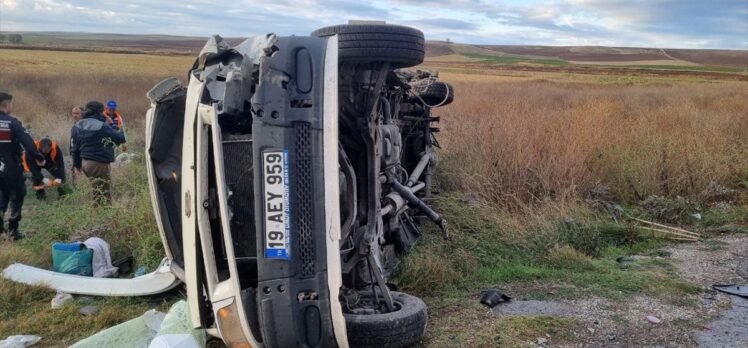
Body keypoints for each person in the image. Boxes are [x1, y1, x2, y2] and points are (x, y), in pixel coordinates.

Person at [0, 92, 46, 240]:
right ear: (6, 104)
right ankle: (13, 230)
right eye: (11, 104)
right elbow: (28, 143)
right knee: (18, 195)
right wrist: (39, 157)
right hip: (10, 166)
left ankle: (0, 230)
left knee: (2, 195)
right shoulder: (12, 122)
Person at [71, 101, 126, 205]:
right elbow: (120, 138)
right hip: (99, 164)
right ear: (99, 112)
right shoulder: (102, 126)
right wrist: (112, 124)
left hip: (85, 164)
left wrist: (77, 165)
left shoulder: (76, 126)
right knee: (103, 197)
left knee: (96, 192)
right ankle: (103, 219)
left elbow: (75, 149)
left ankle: (98, 217)